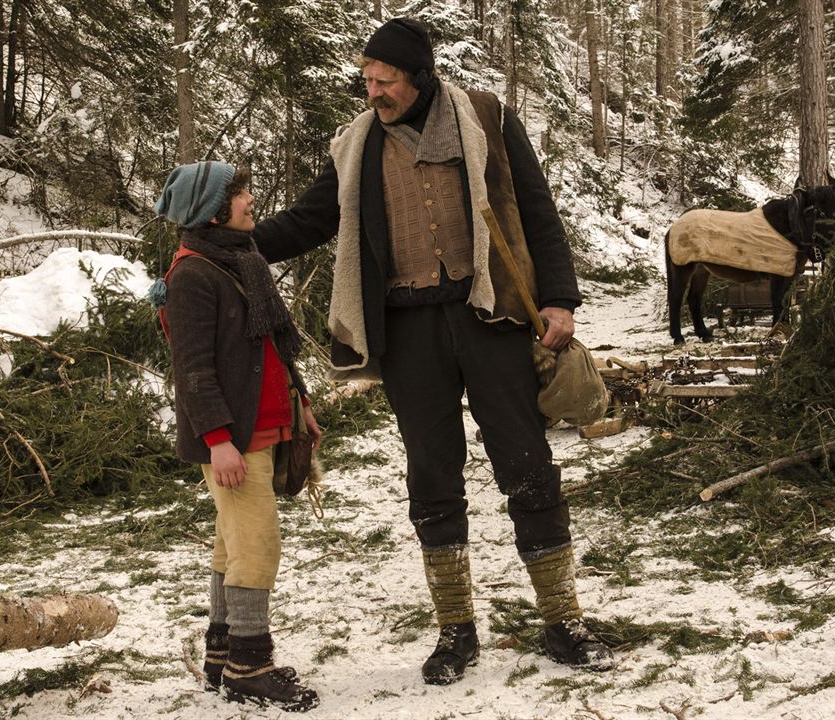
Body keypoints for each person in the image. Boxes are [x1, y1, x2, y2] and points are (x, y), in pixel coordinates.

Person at [253, 18, 614, 685]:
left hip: (492, 318)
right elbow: (309, 219)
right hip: (408, 332)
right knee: (431, 476)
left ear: (417, 77)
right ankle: (455, 629)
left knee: (528, 464)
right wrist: (233, 242)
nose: (373, 94)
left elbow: (537, 213)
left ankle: (562, 619)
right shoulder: (356, 146)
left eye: (383, 81)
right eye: (365, 81)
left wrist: (559, 300)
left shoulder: (486, 119)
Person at [154, 160, 322, 711]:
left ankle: (222, 654)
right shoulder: (193, 275)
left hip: (264, 425)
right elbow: (193, 369)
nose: (252, 199)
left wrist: (302, 405)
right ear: (213, 210)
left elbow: (272, 348)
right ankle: (252, 665)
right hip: (233, 439)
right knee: (257, 542)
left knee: (232, 542)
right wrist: (218, 440)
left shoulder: (240, 260)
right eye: (242, 193)